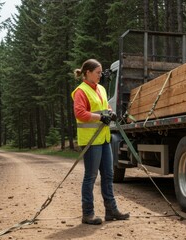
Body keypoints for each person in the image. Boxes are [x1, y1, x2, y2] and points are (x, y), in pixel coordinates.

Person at [72, 59, 130, 225]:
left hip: (104, 138)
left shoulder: (101, 89)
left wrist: (110, 113)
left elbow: (105, 107)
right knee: (90, 176)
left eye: (101, 72)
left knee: (109, 175)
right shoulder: (80, 91)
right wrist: (100, 117)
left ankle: (111, 211)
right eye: (98, 72)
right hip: (91, 141)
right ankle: (88, 213)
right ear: (88, 73)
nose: (101, 75)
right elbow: (80, 113)